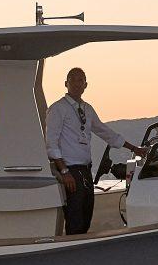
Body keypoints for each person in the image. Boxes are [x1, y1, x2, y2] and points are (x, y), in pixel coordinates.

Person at [45, 67, 143, 236]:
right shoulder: (58, 109)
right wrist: (64, 171)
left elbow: (105, 132)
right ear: (66, 83)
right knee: (75, 218)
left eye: (81, 80)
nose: (77, 84)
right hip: (70, 170)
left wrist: (134, 149)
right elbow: (51, 143)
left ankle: (80, 246)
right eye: (73, 80)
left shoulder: (87, 109)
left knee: (86, 215)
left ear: (86, 85)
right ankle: (73, 248)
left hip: (85, 170)